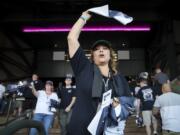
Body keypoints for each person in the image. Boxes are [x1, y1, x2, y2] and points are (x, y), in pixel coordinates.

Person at [67, 11, 132, 135]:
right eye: (97, 49)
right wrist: (84, 16)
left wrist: (117, 106)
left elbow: (127, 104)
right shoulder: (84, 68)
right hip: (80, 129)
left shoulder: (118, 78)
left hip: (108, 130)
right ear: (92, 55)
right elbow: (71, 38)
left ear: (110, 54)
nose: (101, 50)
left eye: (105, 48)